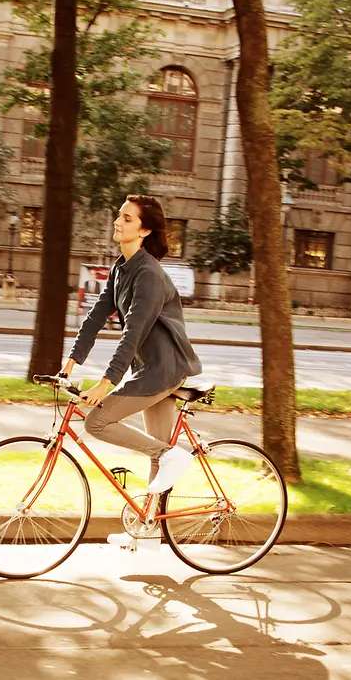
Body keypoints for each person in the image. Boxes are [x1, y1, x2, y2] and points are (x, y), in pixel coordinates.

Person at [61, 194, 204, 495]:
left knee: (97, 422)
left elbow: (133, 334)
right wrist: (69, 365)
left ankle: (171, 456)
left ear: (144, 230)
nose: (118, 221)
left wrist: (105, 385)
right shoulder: (121, 268)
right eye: (119, 215)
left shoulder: (149, 275)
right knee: (157, 453)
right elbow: (95, 317)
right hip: (148, 368)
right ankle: (148, 535)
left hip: (163, 369)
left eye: (127, 218)